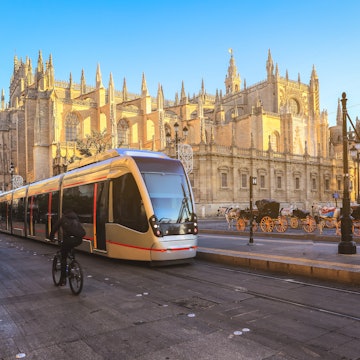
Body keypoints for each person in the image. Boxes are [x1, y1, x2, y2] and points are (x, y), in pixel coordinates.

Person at [49, 209, 84, 286]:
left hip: (68, 240)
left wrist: (51, 238)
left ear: (64, 213)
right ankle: (73, 263)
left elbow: (55, 228)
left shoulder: (63, 219)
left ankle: (63, 279)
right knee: (71, 247)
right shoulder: (76, 218)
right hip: (78, 240)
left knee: (63, 258)